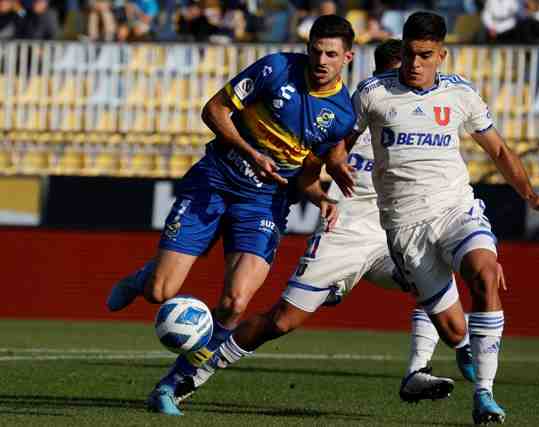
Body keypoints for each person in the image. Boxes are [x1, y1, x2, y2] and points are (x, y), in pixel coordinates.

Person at [145, 39, 481, 416]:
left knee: (436, 273)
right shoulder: (347, 119)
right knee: (281, 321)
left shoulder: (425, 119)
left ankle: (421, 369)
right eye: (396, 75)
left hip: (393, 235)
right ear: (381, 75)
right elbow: (306, 176)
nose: (406, 82)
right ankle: (183, 379)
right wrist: (323, 197)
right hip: (346, 233)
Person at [106, 14, 356, 412]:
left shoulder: (343, 115)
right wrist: (249, 152)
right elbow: (214, 110)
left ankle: (172, 385)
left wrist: (321, 198)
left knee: (236, 302)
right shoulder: (276, 68)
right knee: (160, 292)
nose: (321, 60)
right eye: (315, 50)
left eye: (330, 54)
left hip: (264, 203)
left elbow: (307, 177)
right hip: (216, 180)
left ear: (347, 57)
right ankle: (143, 278)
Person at [327, 11, 539, 425]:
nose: (415, 64)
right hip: (404, 225)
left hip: (455, 208)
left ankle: (485, 397)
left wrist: (530, 195)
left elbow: (500, 151)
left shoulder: (460, 94)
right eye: (410, 55)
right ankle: (459, 352)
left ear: (442, 55)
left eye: (425, 55)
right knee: (455, 332)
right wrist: (334, 165)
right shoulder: (372, 93)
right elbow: (337, 142)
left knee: (485, 273)